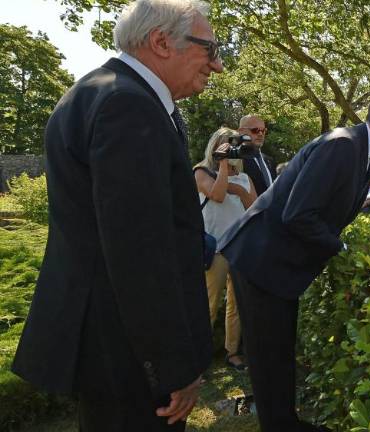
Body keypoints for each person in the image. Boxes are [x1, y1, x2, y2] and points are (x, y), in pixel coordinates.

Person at [11, 1, 224, 430]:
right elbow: (140, 254)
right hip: (126, 349)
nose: (217, 66)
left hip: (113, 340)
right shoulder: (128, 105)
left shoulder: (102, 91)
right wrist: (172, 366)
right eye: (211, 49)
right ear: (162, 42)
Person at [216, 92, 370, 432]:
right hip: (260, 260)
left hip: (276, 265)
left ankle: (285, 422)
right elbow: (299, 213)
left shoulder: (363, 153)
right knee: (269, 359)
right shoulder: (342, 145)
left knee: (279, 355)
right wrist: (341, 248)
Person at [194, 128, 256, 372]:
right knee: (208, 305)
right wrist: (221, 166)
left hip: (239, 248)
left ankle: (232, 352)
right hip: (216, 249)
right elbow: (217, 195)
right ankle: (199, 357)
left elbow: (255, 206)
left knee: (236, 304)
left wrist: (240, 190)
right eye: (226, 145)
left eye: (234, 145)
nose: (231, 149)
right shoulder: (201, 172)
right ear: (215, 146)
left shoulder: (243, 177)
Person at [238, 114, 277, 195]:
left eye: (263, 130)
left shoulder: (269, 161)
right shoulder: (236, 159)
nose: (260, 134)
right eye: (255, 130)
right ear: (241, 131)